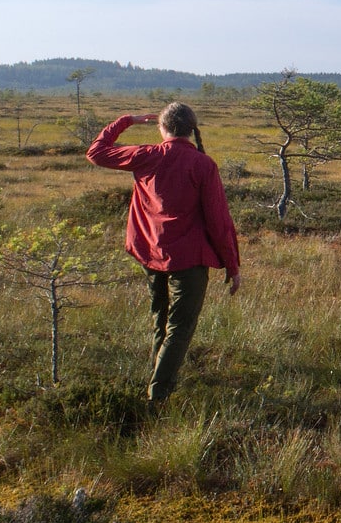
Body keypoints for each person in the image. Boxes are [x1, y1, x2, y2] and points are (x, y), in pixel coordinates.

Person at [87, 102, 241, 405]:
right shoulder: (202, 164)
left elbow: (96, 152)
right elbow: (218, 220)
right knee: (180, 328)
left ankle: (158, 378)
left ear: (162, 128)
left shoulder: (146, 155)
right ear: (191, 129)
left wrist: (126, 121)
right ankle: (158, 395)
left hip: (150, 252)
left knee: (161, 318)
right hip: (189, 259)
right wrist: (232, 265)